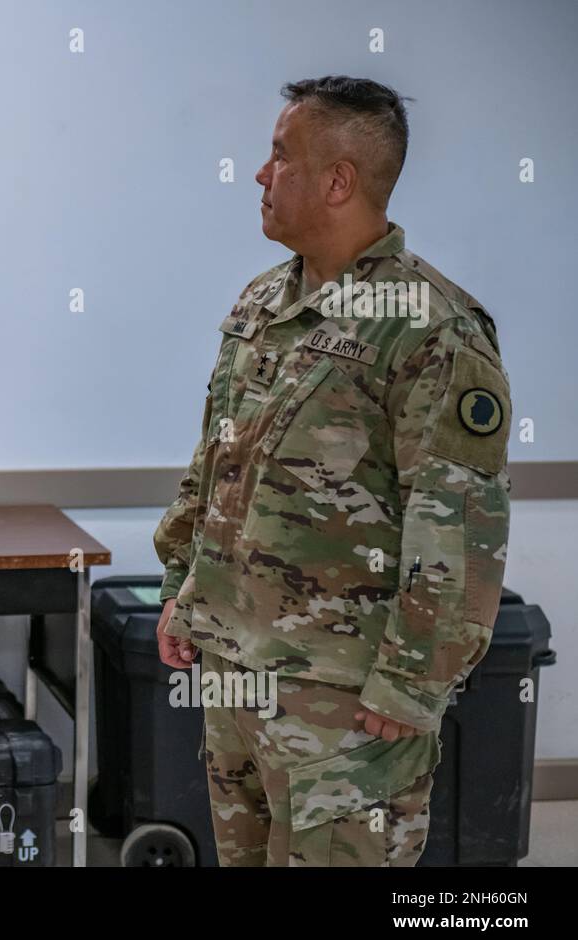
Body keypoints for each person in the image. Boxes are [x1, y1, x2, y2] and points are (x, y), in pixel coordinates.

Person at [153, 76, 511, 866]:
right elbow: (217, 459)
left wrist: (413, 682)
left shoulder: (429, 326)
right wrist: (187, 589)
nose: (259, 173)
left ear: (339, 181)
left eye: (280, 156)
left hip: (345, 695)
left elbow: (456, 518)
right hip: (236, 667)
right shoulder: (263, 302)